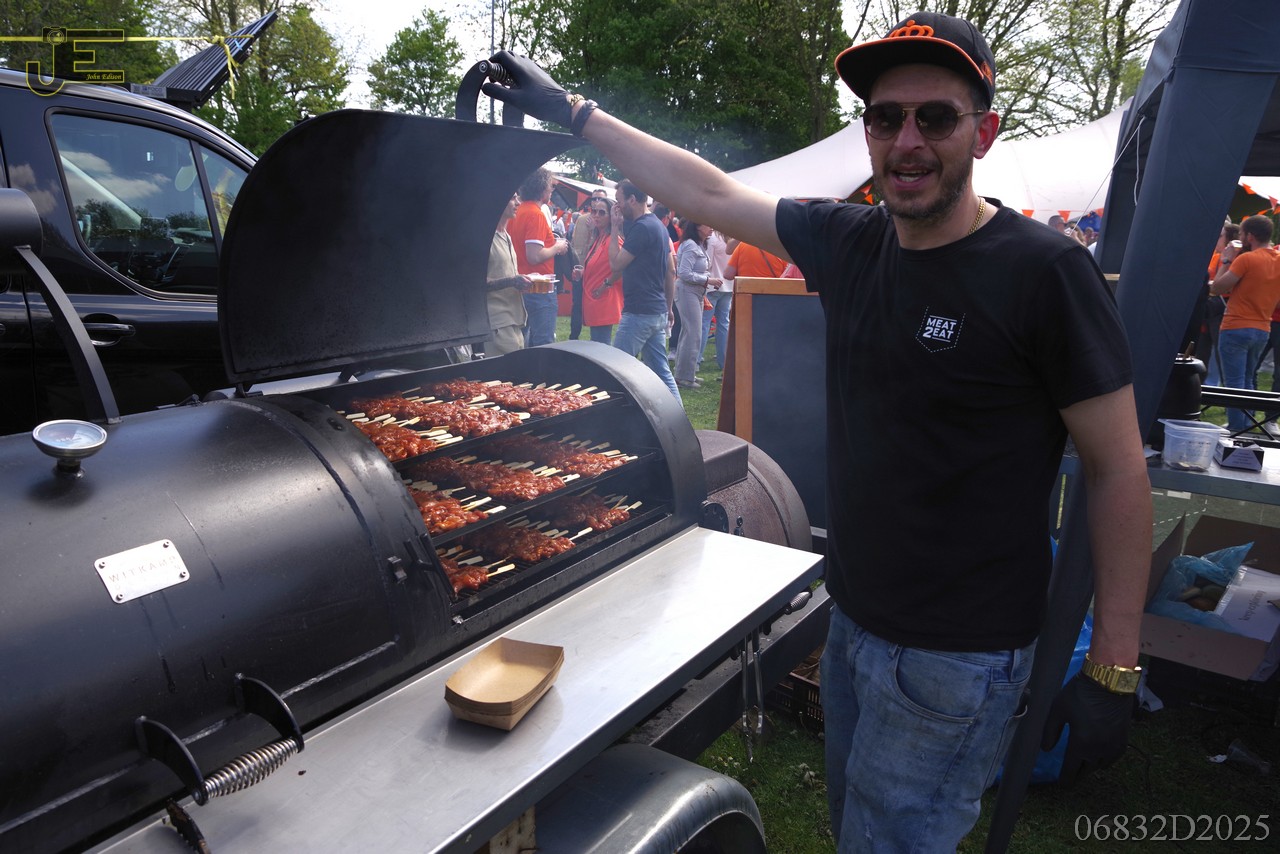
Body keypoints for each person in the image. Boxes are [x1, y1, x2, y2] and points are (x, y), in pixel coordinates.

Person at [483, 10, 1151, 850]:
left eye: (935, 117)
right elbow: (711, 193)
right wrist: (577, 114)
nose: (907, 141)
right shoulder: (852, 241)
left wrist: (1114, 665)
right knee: (853, 832)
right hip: (855, 616)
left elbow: (1118, 468)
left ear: (983, 132)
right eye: (885, 118)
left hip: (959, 655)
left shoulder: (1044, 272)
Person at [607, 179, 681, 401]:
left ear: (632, 199)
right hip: (656, 311)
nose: (617, 206)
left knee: (614, 369)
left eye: (619, 200)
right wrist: (668, 307)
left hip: (639, 312)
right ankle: (679, 415)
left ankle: (616, 415)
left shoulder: (642, 228)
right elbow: (670, 270)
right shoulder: (658, 225)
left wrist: (613, 227)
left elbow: (616, 264)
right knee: (661, 372)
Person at [1210, 214, 1280, 432]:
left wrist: (1226, 260)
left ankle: (1236, 429)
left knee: (1234, 384)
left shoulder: (1246, 259)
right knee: (1248, 381)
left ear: (1250, 236)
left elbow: (1217, 288)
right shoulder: (1277, 260)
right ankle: (1245, 426)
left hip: (1236, 326)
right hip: (1262, 328)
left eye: (1241, 233)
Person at [510, 167, 569, 347]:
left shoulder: (516, 212)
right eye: (551, 186)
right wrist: (557, 247)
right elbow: (534, 256)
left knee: (522, 342)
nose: (552, 190)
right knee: (543, 344)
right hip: (538, 288)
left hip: (520, 284)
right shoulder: (535, 214)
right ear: (542, 188)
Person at [673, 218, 722, 388]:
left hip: (695, 292)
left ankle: (685, 373)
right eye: (708, 224)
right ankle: (685, 377)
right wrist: (708, 280)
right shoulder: (690, 245)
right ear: (698, 227)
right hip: (687, 291)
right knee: (693, 333)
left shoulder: (698, 244)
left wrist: (706, 280)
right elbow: (684, 273)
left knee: (690, 333)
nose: (712, 228)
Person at [483, 192, 532, 356]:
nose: (518, 203)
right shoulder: (484, 238)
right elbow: (474, 282)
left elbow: (506, 273)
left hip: (514, 320)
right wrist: (511, 281)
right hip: (497, 322)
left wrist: (522, 281)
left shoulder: (506, 235)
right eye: (512, 198)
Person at [580, 197, 625, 344]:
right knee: (598, 343)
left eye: (601, 212)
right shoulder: (599, 238)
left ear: (611, 217)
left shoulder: (613, 240)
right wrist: (582, 272)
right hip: (595, 301)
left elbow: (622, 267)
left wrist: (605, 285)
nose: (596, 215)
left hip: (604, 300)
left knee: (600, 345)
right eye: (594, 211)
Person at [701, 229, 737, 375]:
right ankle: (723, 361)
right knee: (723, 324)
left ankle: (696, 359)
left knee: (704, 323)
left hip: (713, 285)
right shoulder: (734, 239)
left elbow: (707, 263)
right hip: (728, 286)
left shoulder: (713, 239)